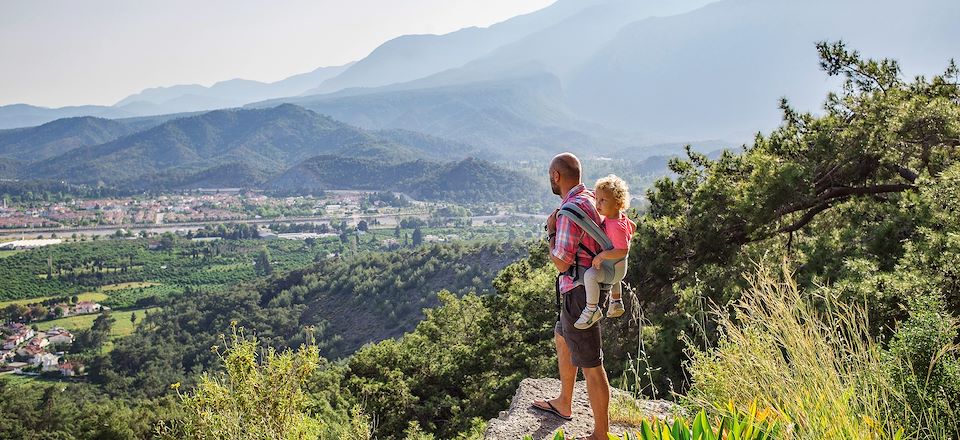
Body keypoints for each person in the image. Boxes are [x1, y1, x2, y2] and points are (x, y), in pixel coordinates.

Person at [531, 152, 610, 440]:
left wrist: (551, 232)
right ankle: (564, 402)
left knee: (592, 364)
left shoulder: (568, 212)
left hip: (579, 293)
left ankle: (601, 434)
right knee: (562, 337)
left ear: (556, 176)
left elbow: (562, 262)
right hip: (590, 287)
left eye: (550, 176)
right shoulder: (591, 199)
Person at [574, 174, 636, 329]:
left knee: (590, 276)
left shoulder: (615, 226)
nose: (597, 204)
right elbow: (633, 226)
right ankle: (616, 302)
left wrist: (602, 255)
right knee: (612, 271)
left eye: (603, 200)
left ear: (617, 203)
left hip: (613, 271)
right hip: (618, 268)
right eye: (597, 199)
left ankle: (592, 309)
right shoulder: (619, 218)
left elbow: (622, 250)